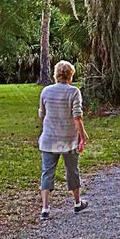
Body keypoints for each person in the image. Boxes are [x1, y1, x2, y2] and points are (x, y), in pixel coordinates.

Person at [38, 60, 90, 220]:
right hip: (68, 140)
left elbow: (42, 114)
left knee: (47, 172)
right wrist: (83, 136)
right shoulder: (74, 92)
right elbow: (77, 117)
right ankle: (77, 203)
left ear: (56, 74)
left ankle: (45, 208)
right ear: (70, 75)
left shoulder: (45, 91)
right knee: (72, 170)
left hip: (48, 139)